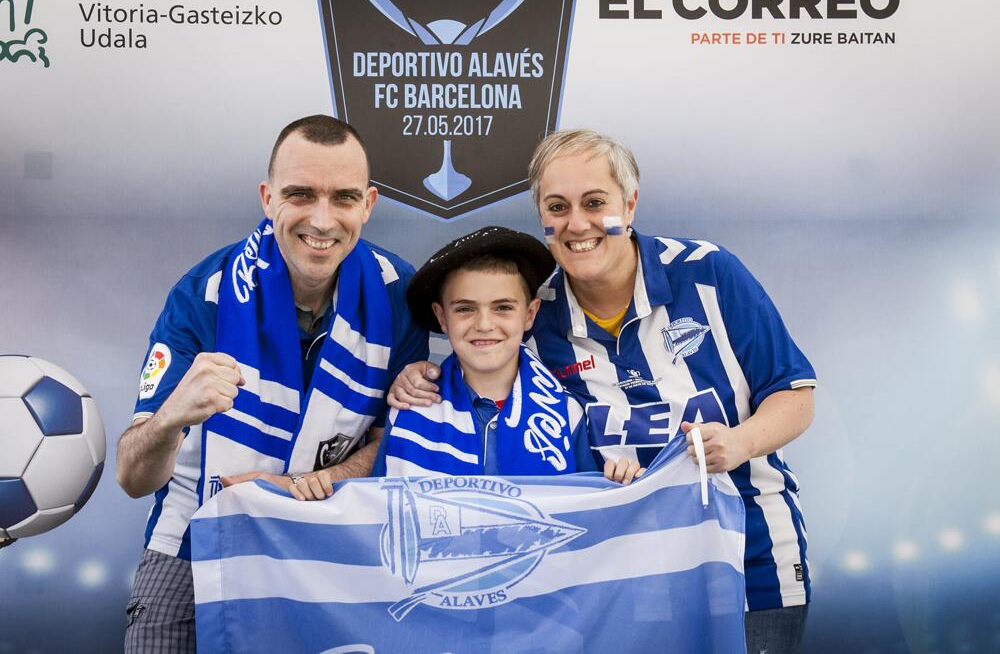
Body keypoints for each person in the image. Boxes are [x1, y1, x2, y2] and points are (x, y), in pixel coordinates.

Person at [388, 129, 817, 653]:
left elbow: (795, 396)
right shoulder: (536, 316)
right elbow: (478, 373)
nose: (577, 224)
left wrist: (741, 442)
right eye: (557, 207)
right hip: (623, 573)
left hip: (749, 559)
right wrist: (419, 377)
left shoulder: (708, 273)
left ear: (629, 204)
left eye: (595, 203)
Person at [116, 115, 428, 653]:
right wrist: (171, 417)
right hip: (193, 541)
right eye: (300, 194)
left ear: (368, 205)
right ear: (267, 198)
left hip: (326, 541)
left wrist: (308, 483)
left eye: (343, 197)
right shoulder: (204, 293)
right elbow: (132, 477)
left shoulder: (399, 294)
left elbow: (396, 445)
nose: (322, 220)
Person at [372, 226, 596, 478]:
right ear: (442, 317)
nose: (484, 324)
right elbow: (383, 498)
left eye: (503, 308)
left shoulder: (565, 413)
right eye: (465, 309)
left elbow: (587, 496)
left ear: (530, 314)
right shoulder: (411, 412)